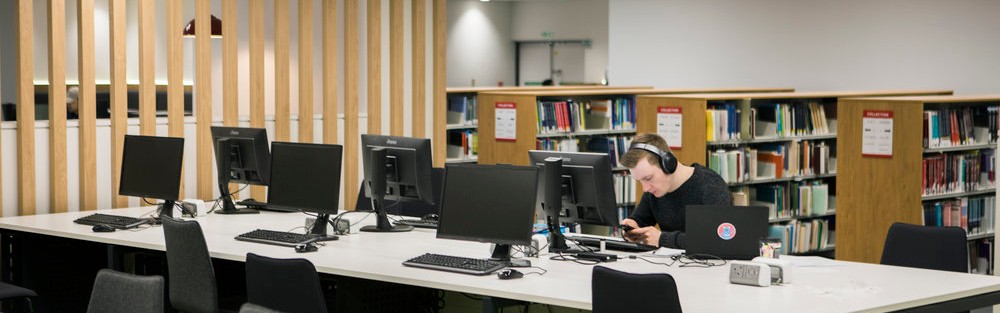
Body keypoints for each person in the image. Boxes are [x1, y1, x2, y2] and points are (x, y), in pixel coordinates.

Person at [619, 133, 731, 248]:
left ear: (668, 164)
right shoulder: (654, 191)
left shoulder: (711, 186)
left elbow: (719, 240)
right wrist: (631, 227)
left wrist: (662, 239)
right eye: (640, 181)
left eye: (648, 178)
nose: (645, 188)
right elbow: (640, 220)